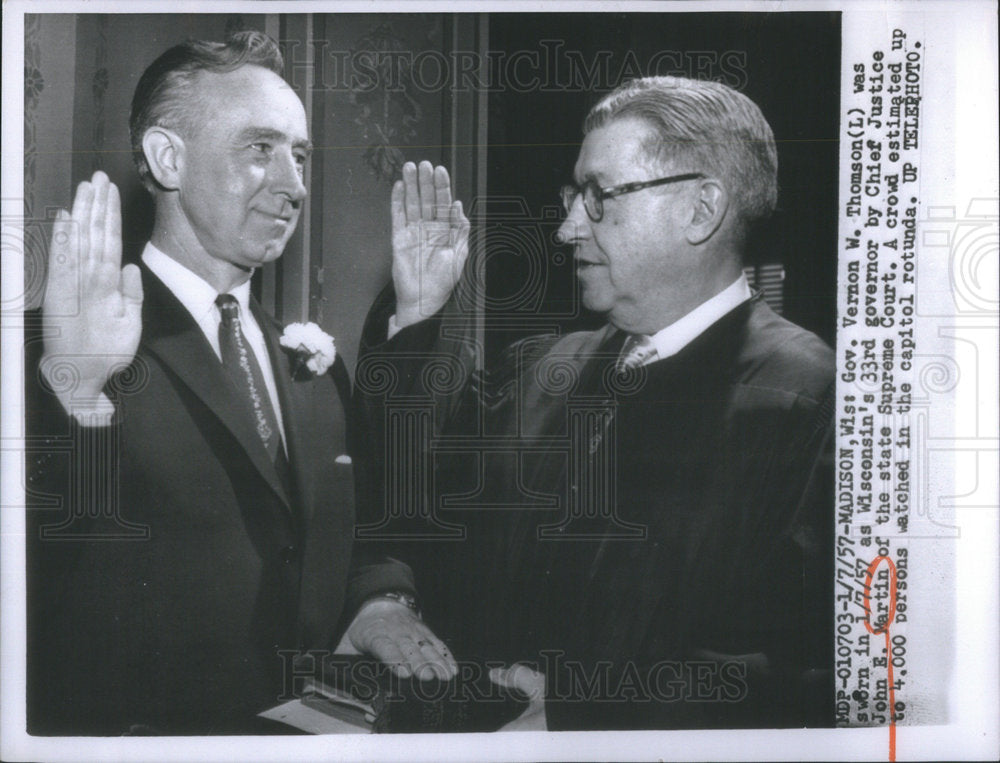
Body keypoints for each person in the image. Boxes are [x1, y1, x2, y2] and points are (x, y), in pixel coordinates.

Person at [356, 75, 835, 730]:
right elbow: (417, 496)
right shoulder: (543, 369)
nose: (565, 228)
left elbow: (805, 673)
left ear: (701, 209)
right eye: (571, 195)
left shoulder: (808, 402)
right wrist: (419, 310)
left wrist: (582, 718)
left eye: (599, 196)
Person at [25, 32, 455, 736]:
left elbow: (359, 535)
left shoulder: (307, 363)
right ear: (169, 157)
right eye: (260, 149)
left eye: (300, 154)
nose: (293, 184)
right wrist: (75, 395)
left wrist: (377, 602)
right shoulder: (53, 348)